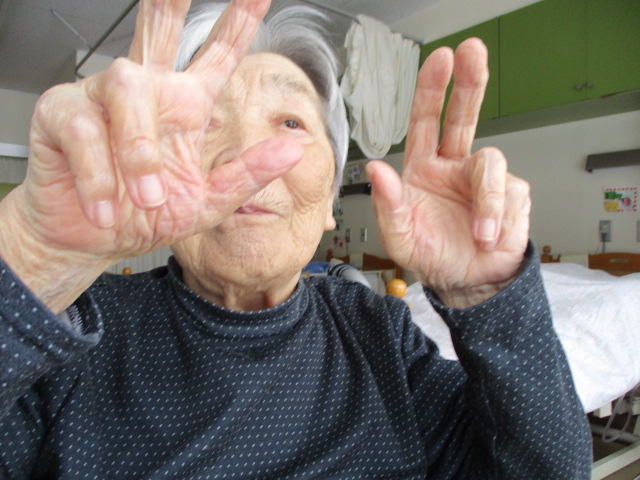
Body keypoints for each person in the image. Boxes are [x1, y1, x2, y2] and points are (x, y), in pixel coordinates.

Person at [0, 0, 591, 478]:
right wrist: (30, 257)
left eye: (290, 122)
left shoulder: (379, 334)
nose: (250, 156)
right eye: (206, 123)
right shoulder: (74, 327)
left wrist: (487, 297)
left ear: (331, 200)